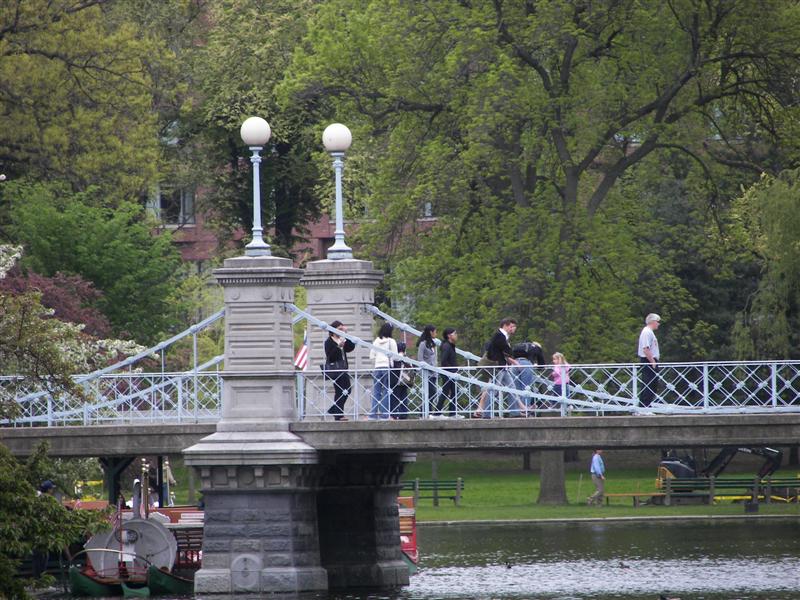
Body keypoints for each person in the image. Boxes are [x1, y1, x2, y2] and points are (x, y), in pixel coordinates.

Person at [474, 318, 519, 418]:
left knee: (512, 387)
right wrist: (512, 357)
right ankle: (487, 414)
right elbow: (506, 350)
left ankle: (515, 412)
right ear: (505, 326)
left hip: (502, 366)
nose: (513, 329)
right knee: (493, 390)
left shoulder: (503, 336)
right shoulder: (499, 335)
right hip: (498, 366)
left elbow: (506, 351)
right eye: (511, 326)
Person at [325, 320, 356, 421]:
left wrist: (346, 335)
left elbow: (351, 347)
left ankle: (335, 410)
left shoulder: (342, 339)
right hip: (335, 369)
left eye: (342, 329)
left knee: (347, 390)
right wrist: (338, 347)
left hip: (343, 369)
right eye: (339, 329)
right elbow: (330, 356)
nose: (341, 331)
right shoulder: (329, 341)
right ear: (333, 330)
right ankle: (338, 415)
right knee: (340, 391)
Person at [369, 322, 397, 419]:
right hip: (386, 367)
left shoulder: (376, 341)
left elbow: (371, 356)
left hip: (377, 368)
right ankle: (385, 414)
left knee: (376, 391)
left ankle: (373, 414)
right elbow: (396, 357)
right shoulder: (391, 341)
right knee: (386, 390)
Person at [637, 313, 661, 410]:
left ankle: (646, 406)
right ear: (653, 321)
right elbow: (645, 349)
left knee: (652, 384)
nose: (658, 324)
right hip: (648, 361)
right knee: (649, 384)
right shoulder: (647, 332)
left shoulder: (649, 332)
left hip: (650, 360)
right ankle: (644, 407)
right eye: (657, 322)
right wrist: (653, 362)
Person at [416, 324, 438, 415]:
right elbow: (420, 359)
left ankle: (425, 411)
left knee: (432, 392)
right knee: (431, 392)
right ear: (430, 332)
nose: (436, 333)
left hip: (434, 373)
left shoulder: (433, 344)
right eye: (435, 331)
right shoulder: (423, 344)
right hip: (427, 373)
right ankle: (424, 411)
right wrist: (428, 367)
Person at [438, 328, 459, 417]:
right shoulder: (447, 346)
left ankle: (452, 413)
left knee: (454, 391)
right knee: (447, 392)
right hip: (448, 373)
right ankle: (438, 412)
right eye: (455, 333)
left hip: (450, 373)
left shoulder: (450, 345)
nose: (456, 335)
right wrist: (452, 370)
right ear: (449, 336)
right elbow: (444, 361)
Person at [390, 341, 412, 419]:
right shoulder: (407, 359)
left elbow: (391, 366)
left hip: (396, 381)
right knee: (404, 397)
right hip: (405, 381)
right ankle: (404, 413)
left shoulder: (394, 358)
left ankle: (394, 414)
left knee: (394, 398)